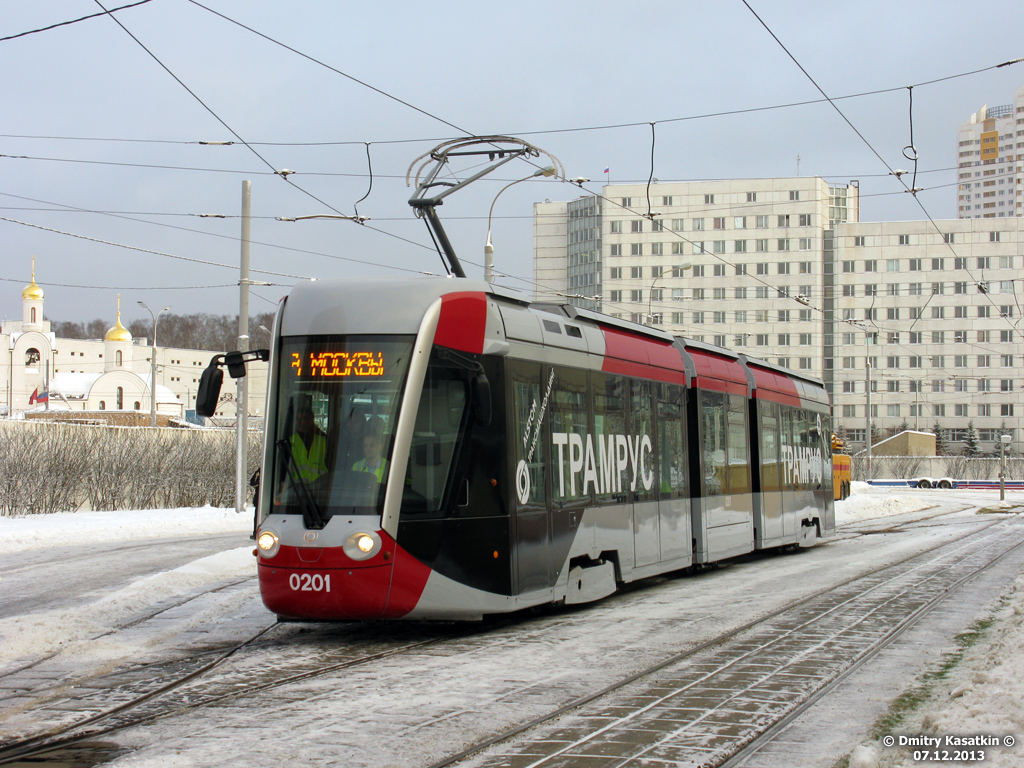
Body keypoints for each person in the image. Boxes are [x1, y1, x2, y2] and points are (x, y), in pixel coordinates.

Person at [290, 404, 328, 482]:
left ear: (311, 420)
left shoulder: (322, 440)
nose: (299, 422)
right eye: (297, 419)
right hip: (297, 488)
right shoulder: (290, 440)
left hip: (319, 487)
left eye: (303, 419)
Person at [353, 419, 387, 483]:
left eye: (371, 445)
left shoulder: (388, 466)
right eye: (365, 445)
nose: (368, 449)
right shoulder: (356, 466)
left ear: (380, 446)